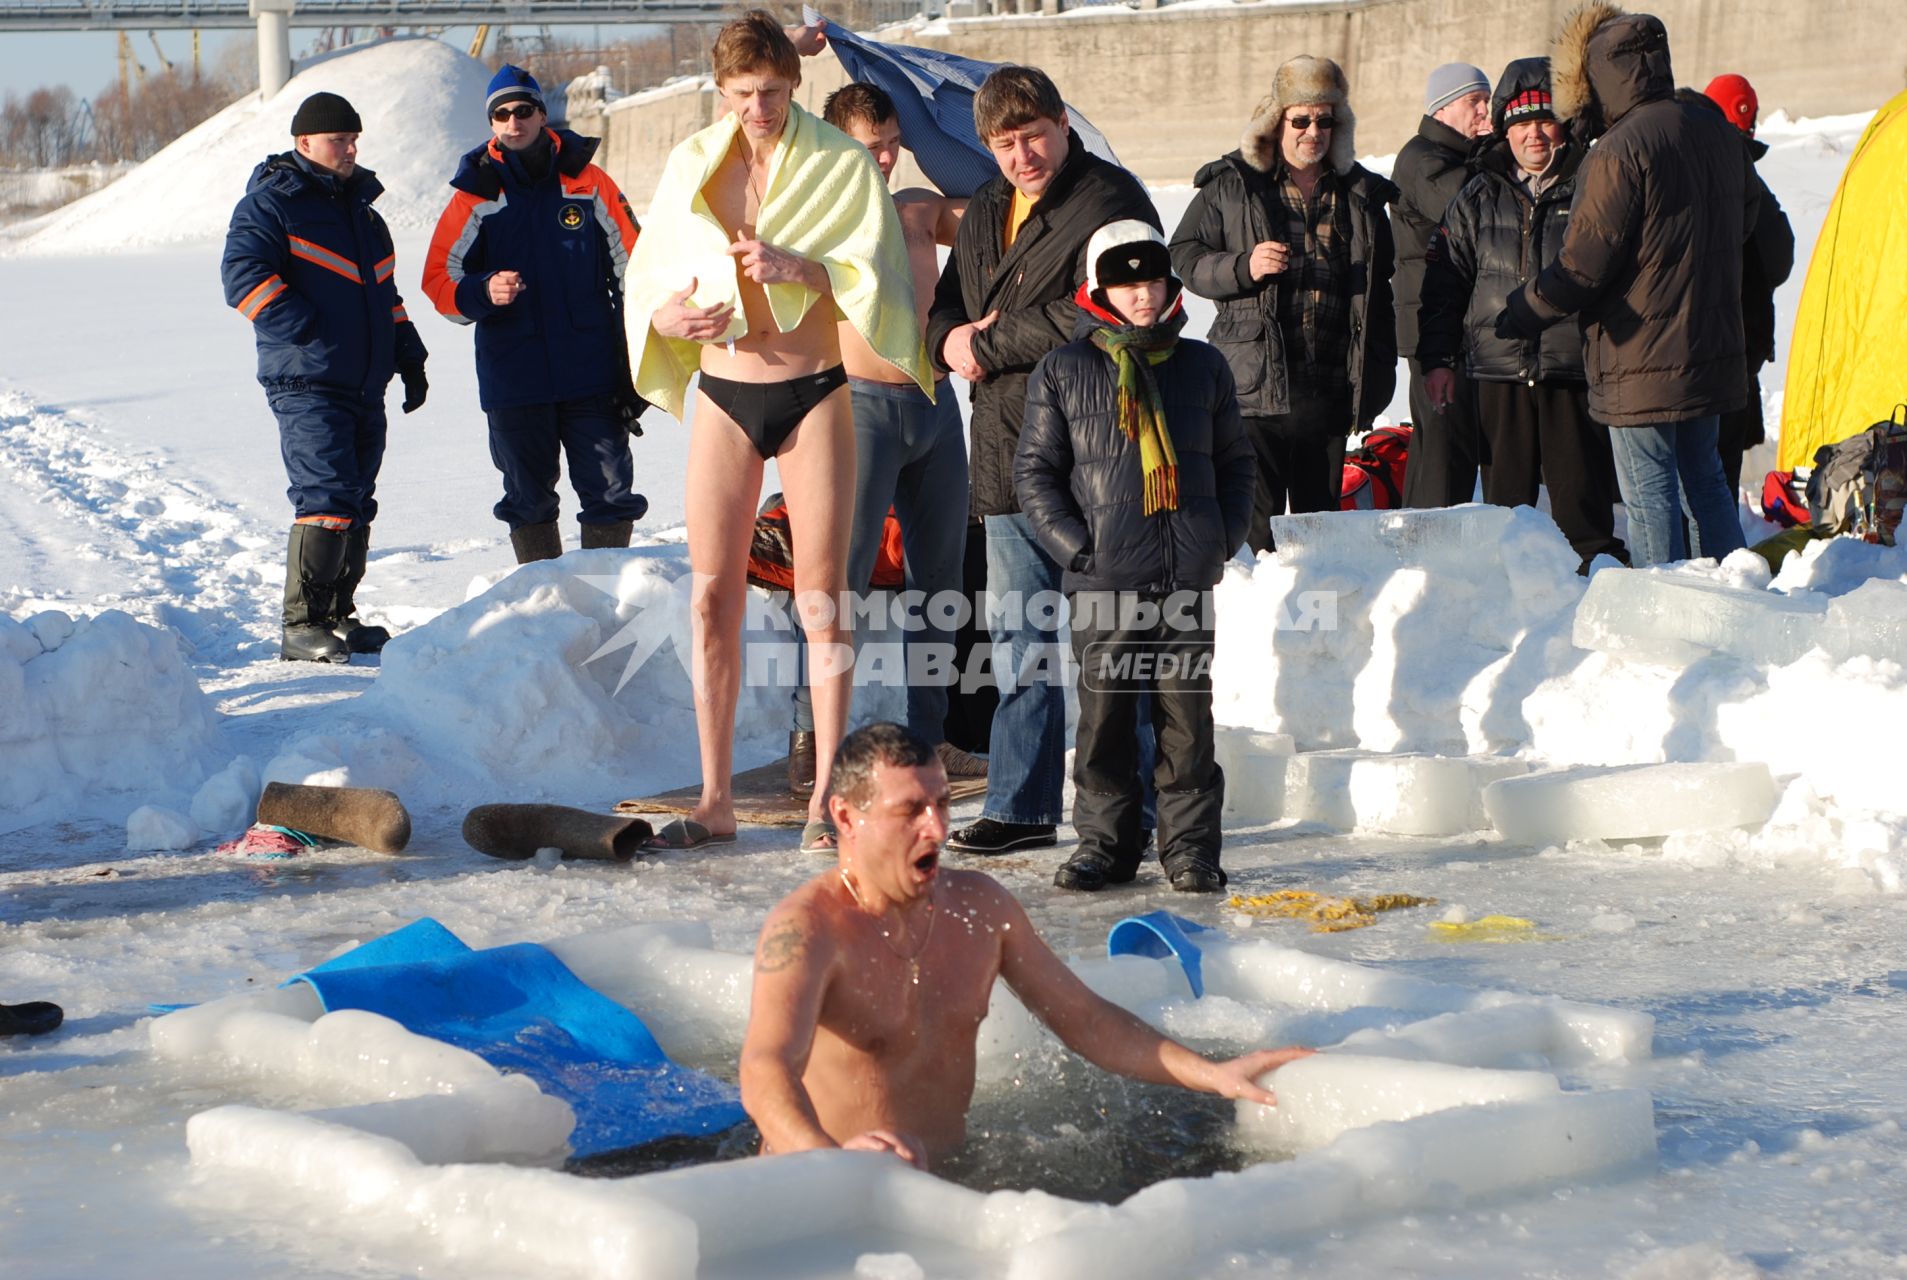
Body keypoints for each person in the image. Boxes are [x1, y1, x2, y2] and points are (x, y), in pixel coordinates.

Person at [625, 13, 933, 851]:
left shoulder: (837, 163)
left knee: (824, 601)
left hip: (811, 389)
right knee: (711, 596)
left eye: (769, 92)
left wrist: (804, 269)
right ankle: (716, 798)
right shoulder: (693, 163)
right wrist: (667, 313)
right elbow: (646, 273)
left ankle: (824, 800)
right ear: (720, 92)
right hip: (726, 391)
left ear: (793, 86)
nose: (756, 108)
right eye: (740, 94)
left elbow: (882, 280)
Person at [738, 721, 1313, 1168]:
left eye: (940, 804)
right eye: (910, 810)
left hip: (939, 1186)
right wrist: (827, 1163)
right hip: (821, 1188)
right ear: (845, 816)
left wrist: (1212, 1072)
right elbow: (766, 1068)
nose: (937, 828)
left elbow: (1084, 1018)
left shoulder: (981, 908)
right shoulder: (810, 929)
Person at [925, 65, 1158, 857]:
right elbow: (948, 305)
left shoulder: (1110, 200)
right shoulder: (988, 204)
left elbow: (1105, 308)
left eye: (1033, 135)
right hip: (1003, 453)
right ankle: (1021, 808)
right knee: (1020, 645)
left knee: (1111, 642)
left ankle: (1140, 805)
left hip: (1093, 455)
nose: (1021, 155)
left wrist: (986, 343)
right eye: (1003, 142)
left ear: (1062, 123)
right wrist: (948, 341)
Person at [1014, 223, 1252, 892]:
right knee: (1106, 718)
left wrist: (1221, 536)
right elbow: (1034, 473)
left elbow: (1236, 461)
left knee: (1186, 720)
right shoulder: (1065, 369)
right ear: (1099, 291)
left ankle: (1190, 849)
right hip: (1104, 578)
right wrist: (1077, 548)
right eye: (1126, 283)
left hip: (1184, 574)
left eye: (1152, 281)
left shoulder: (1203, 365)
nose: (1142, 296)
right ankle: (1103, 845)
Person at [776, 71, 986, 802]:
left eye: (894, 145)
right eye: (871, 147)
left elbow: (1000, 215)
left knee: (940, 586)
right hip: (857, 410)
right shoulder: (818, 221)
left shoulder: (919, 210)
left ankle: (928, 736)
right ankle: (811, 742)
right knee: (838, 584)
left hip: (932, 406)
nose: (886, 159)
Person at [1498, 3, 1757, 567]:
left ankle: (1664, 615)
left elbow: (1583, 267)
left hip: (1638, 355)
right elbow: (1748, 219)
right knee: (1706, 483)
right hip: (1709, 343)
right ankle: (1736, 601)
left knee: (1650, 495)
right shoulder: (1712, 124)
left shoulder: (1619, 150)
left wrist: (1523, 309)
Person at [222, 91, 429, 663]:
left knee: (357, 499)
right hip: (306, 379)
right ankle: (302, 624)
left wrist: (408, 353)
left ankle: (338, 616)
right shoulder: (271, 205)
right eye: (339, 139)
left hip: (364, 382)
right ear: (304, 142)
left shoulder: (365, 216)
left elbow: (385, 296)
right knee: (327, 496)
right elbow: (243, 276)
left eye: (355, 138)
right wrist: (307, 328)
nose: (350, 148)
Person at [1170, 55, 1398, 553]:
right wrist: (1242, 267)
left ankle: (1322, 625)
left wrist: (1376, 371)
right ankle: (1262, 625)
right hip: (1257, 391)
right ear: (1277, 120)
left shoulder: (1358, 193)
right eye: (1301, 119)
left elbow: (1380, 293)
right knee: (1257, 537)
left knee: (1321, 536)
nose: (1312, 131)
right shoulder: (1234, 183)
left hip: (1331, 390)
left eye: (1324, 119)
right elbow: (1183, 256)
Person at [421, 64, 648, 565]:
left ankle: (605, 605)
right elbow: (437, 279)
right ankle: (546, 611)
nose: (513, 121)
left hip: (592, 374)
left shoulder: (588, 183)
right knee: (528, 501)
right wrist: (483, 290)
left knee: (611, 494)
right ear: (492, 124)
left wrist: (638, 354)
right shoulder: (475, 194)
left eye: (523, 110)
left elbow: (638, 265)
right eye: (501, 114)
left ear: (543, 114)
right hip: (514, 380)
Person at [1418, 58, 1628, 569]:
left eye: (1545, 120)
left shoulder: (1591, 187)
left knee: (1582, 511)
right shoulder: (1477, 194)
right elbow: (1445, 286)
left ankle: (1591, 593)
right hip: (1497, 374)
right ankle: (1506, 608)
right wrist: (1437, 360)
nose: (1534, 134)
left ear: (1565, 124)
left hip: (1570, 373)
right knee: (1504, 514)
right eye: (1521, 123)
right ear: (1505, 129)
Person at [1391, 62, 1492, 509]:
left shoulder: (1455, 157)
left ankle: (1423, 536)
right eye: (1476, 102)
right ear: (1443, 107)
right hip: (1432, 330)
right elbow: (1476, 210)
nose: (1486, 113)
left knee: (1442, 446)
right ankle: (1428, 544)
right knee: (1443, 449)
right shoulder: (1424, 159)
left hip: (1449, 326)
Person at [1697, 75, 1796, 496]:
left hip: (1697, 354)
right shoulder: (1745, 183)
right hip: (1733, 351)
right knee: (1717, 478)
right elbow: (1778, 259)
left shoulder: (1684, 174)